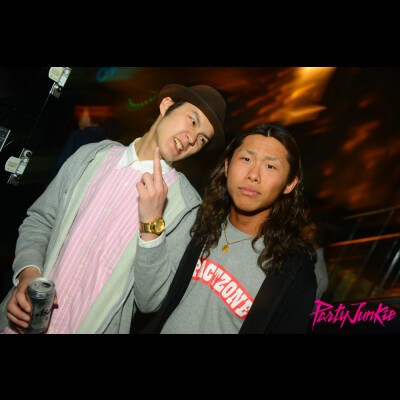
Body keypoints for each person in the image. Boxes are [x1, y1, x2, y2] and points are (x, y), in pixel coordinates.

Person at [0, 83, 226, 334]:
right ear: (167, 106)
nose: (192, 139)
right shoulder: (91, 157)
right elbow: (41, 220)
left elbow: (151, 300)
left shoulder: (187, 208)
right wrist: (28, 272)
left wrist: (151, 226)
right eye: (193, 121)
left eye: (202, 139)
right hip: (21, 325)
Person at [133, 123, 317, 334]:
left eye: (270, 166)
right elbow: (148, 300)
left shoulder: (294, 274)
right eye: (246, 159)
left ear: (289, 184)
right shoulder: (197, 223)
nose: (253, 175)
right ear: (227, 167)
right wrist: (151, 223)